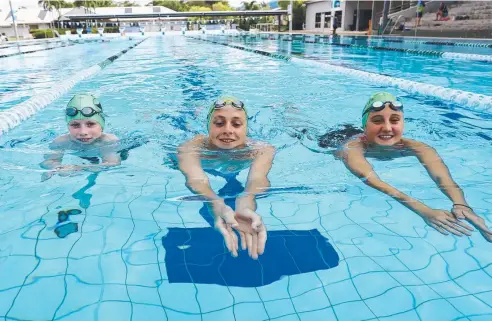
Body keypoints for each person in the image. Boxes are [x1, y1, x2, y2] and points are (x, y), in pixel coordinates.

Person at [336, 92, 491, 242]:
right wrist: (424, 210)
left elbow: (441, 177)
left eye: (395, 120)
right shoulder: (352, 147)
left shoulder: (418, 147)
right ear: (365, 126)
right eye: (377, 121)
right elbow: (371, 179)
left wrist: (461, 204)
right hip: (337, 137)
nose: (388, 128)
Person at [177, 96, 275, 259]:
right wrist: (215, 204)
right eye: (219, 123)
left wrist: (246, 204)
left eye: (236, 124)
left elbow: (257, 180)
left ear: (246, 129)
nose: (228, 130)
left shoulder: (262, 149)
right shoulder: (191, 147)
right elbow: (196, 179)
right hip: (209, 165)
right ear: (208, 126)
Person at [41, 93, 120, 181]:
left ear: (101, 125)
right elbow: (48, 161)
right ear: (68, 126)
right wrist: (58, 167)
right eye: (75, 125)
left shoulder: (108, 141)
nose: (83, 132)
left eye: (90, 124)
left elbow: (112, 163)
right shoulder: (61, 142)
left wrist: (78, 168)